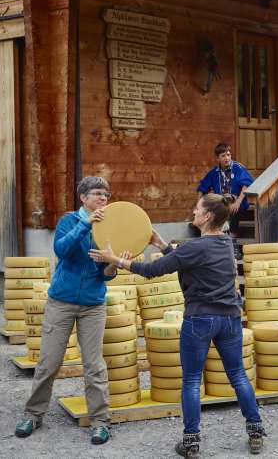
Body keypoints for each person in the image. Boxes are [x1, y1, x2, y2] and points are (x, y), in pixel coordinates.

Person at [100, 194, 267, 455]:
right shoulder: (226, 243)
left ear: (208, 216)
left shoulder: (194, 247)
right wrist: (163, 244)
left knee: (190, 380)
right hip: (230, 318)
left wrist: (116, 260)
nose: (193, 211)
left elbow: (152, 271)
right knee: (237, 376)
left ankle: (191, 442)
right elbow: (189, 263)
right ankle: (255, 430)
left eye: (197, 209)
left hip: (200, 319)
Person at [15, 176, 119, 446]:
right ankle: (33, 414)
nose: (103, 198)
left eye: (106, 195)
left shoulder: (110, 227)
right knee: (48, 362)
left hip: (93, 304)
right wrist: (86, 224)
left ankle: (99, 421)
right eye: (97, 194)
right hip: (60, 302)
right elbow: (61, 249)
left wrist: (113, 264)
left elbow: (106, 275)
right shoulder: (69, 221)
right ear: (83, 198)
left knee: (94, 365)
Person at [197, 143, 254, 242]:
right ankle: (213, 239)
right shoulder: (214, 172)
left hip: (238, 202)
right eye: (223, 156)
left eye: (228, 155)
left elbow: (246, 184)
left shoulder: (238, 168)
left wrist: (238, 202)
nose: (227, 158)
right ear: (217, 158)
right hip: (222, 203)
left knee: (233, 209)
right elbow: (202, 188)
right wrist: (199, 206)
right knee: (212, 211)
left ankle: (232, 240)